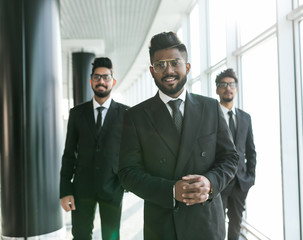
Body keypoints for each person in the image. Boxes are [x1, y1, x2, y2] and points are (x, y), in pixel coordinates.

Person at [118, 32, 240, 240]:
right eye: (160, 65)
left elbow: (230, 158)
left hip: (206, 223)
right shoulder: (136, 116)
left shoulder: (210, 107)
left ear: (188, 67)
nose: (168, 70)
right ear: (151, 71)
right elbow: (127, 173)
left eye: (175, 63)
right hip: (163, 227)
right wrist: (170, 190)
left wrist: (210, 183)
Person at [59, 57, 129, 240]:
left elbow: (131, 152)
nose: (101, 81)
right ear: (91, 80)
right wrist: (65, 189)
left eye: (106, 77)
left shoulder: (127, 114)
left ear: (113, 81)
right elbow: (68, 154)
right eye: (97, 77)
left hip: (112, 186)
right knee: (80, 235)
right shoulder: (76, 114)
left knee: (111, 236)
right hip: (82, 188)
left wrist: (126, 180)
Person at [215, 68, 257, 240]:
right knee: (216, 225)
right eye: (224, 85)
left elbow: (251, 150)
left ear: (236, 89)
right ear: (217, 89)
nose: (228, 88)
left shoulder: (245, 117)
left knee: (235, 225)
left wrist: (251, 177)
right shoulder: (212, 115)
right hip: (219, 182)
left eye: (231, 84)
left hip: (240, 183)